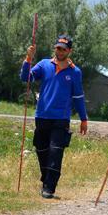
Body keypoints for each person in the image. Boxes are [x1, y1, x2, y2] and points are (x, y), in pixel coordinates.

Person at [20, 35, 89, 199]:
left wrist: (83, 119)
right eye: (58, 48)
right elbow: (26, 78)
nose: (60, 51)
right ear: (55, 48)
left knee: (55, 152)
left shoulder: (75, 72)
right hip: (42, 116)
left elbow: (78, 97)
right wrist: (28, 58)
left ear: (69, 51)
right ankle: (45, 179)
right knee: (42, 150)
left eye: (63, 49)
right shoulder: (44, 64)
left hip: (61, 119)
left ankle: (49, 188)